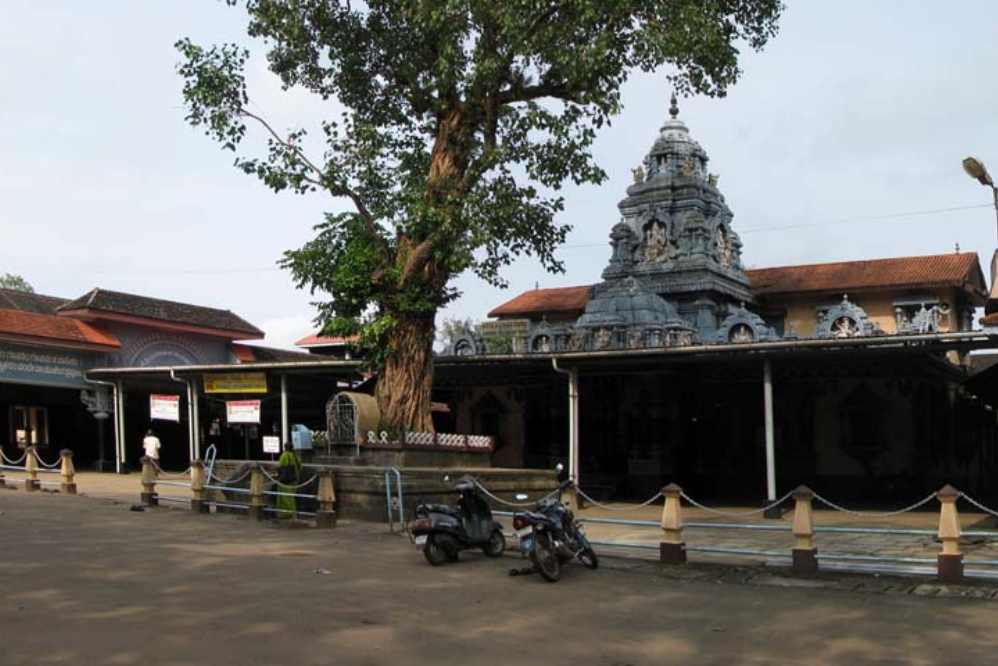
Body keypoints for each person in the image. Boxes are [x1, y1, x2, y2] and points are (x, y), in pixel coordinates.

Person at [276, 442, 301, 519]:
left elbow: (280, 466)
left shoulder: (284, 455)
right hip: (295, 479)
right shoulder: (296, 456)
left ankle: (286, 513)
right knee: (292, 497)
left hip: (286, 480)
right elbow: (299, 465)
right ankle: (293, 513)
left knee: (285, 497)